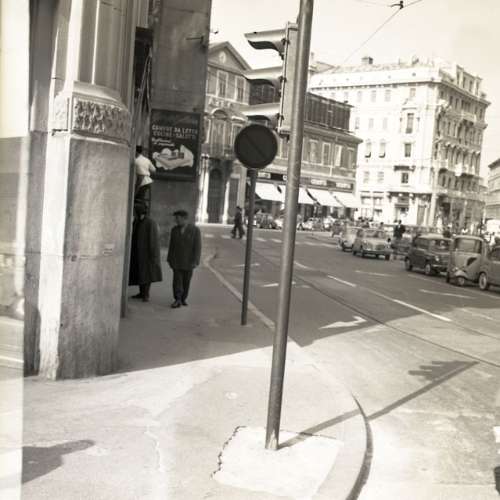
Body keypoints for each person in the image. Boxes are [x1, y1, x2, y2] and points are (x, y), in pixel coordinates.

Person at [167, 210, 202, 308]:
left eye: (177, 218)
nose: (176, 220)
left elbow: (198, 247)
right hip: (176, 261)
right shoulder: (174, 230)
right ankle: (177, 299)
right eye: (176, 218)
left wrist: (196, 260)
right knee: (177, 281)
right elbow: (171, 246)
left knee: (186, 282)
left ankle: (183, 299)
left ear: (184, 219)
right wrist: (169, 258)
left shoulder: (195, 230)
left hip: (189, 262)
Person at [129, 202, 163, 302]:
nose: (134, 213)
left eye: (135, 211)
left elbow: (153, 239)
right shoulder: (137, 221)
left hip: (147, 254)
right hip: (138, 252)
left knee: (147, 274)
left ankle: (146, 294)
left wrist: (153, 255)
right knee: (140, 273)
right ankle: (141, 293)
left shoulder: (150, 223)